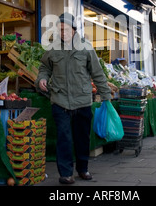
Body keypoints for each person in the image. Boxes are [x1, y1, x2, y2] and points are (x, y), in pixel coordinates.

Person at [35, 12, 112, 184]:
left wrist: (106, 95)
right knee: (64, 137)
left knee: (82, 137)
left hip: (82, 100)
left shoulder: (86, 47)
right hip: (60, 99)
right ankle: (65, 173)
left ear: (74, 30)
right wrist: (41, 79)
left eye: (66, 29)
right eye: (60, 30)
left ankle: (83, 169)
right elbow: (44, 68)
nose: (62, 33)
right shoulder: (52, 48)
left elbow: (97, 73)